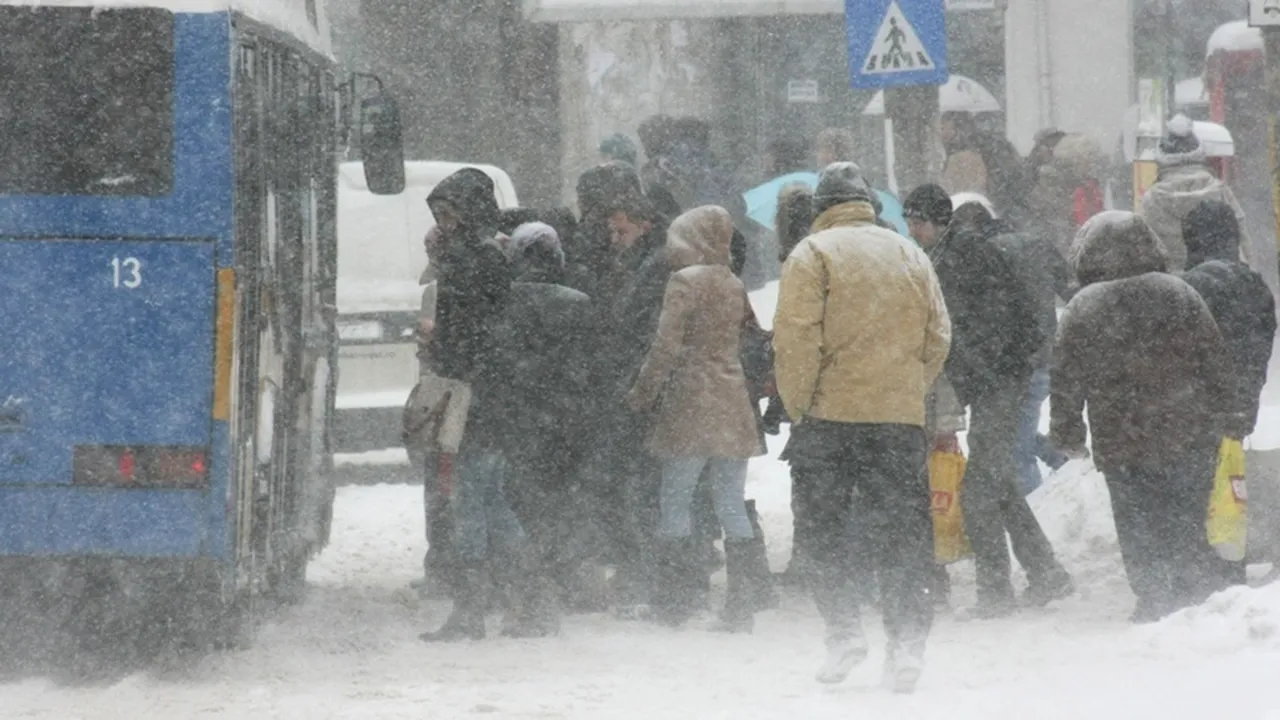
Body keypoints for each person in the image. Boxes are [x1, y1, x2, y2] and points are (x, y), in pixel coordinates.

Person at [774, 162, 950, 693]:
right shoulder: (910, 253)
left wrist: (801, 405)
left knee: (822, 528)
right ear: (869, 205)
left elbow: (796, 342)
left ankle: (844, 630)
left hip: (829, 418)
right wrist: (906, 387)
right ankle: (907, 642)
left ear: (821, 208)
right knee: (903, 531)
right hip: (897, 420)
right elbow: (938, 335)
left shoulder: (811, 254)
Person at [1052, 211, 1235, 623]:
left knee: (1136, 521)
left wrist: (1067, 431)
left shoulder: (1083, 307)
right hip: (1183, 427)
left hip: (1120, 435)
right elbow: (1215, 357)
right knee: (1184, 513)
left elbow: (1065, 379)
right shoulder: (1179, 292)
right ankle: (1191, 591)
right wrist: (1229, 410)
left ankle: (1152, 596)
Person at [928, 195, 1074, 617]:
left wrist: (984, 373)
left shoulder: (971, 260)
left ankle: (995, 592)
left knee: (978, 491)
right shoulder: (1009, 252)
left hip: (1001, 385)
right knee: (1001, 483)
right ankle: (1047, 572)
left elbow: (978, 332)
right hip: (1013, 378)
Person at [626, 206, 770, 631]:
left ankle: (675, 599)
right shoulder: (732, 282)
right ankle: (741, 605)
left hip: (690, 402)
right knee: (730, 503)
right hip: (732, 401)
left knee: (676, 499)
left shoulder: (684, 281)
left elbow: (665, 346)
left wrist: (642, 392)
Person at [420, 168, 527, 642]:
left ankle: (471, 608)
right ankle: (529, 597)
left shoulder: (470, 260)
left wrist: (441, 348)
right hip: (490, 395)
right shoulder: (490, 255)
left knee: (468, 499)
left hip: (471, 397)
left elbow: (470, 333)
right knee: (492, 501)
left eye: (449, 214)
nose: (443, 224)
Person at [490, 222, 595, 635]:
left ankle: (528, 597)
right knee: (559, 507)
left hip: (518, 420)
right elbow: (590, 367)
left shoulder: (502, 302)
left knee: (520, 508)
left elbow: (497, 363)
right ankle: (556, 587)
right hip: (567, 420)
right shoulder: (578, 304)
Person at [1180, 201, 1277, 586]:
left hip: (1200, 404)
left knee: (1203, 485)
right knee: (1231, 477)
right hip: (1241, 398)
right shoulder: (1252, 282)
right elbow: (1263, 338)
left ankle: (1214, 563)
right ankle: (1235, 553)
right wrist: (1246, 391)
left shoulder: (1193, 285)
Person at [403, 226, 473, 600]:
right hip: (451, 401)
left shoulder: (440, 290)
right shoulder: (454, 285)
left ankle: (444, 567)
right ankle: (448, 565)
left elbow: (430, 341)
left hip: (444, 403)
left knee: (442, 488)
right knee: (448, 488)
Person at [1139, 114, 1251, 272]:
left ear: (1160, 159)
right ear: (1200, 154)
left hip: (1172, 283)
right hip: (1218, 280)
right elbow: (1243, 241)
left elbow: (1145, 252)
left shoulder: (1151, 200)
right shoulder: (1220, 191)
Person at [939, 111, 1029, 218]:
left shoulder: (964, 156)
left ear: (958, 130)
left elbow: (959, 188)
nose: (941, 133)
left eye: (943, 128)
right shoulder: (983, 148)